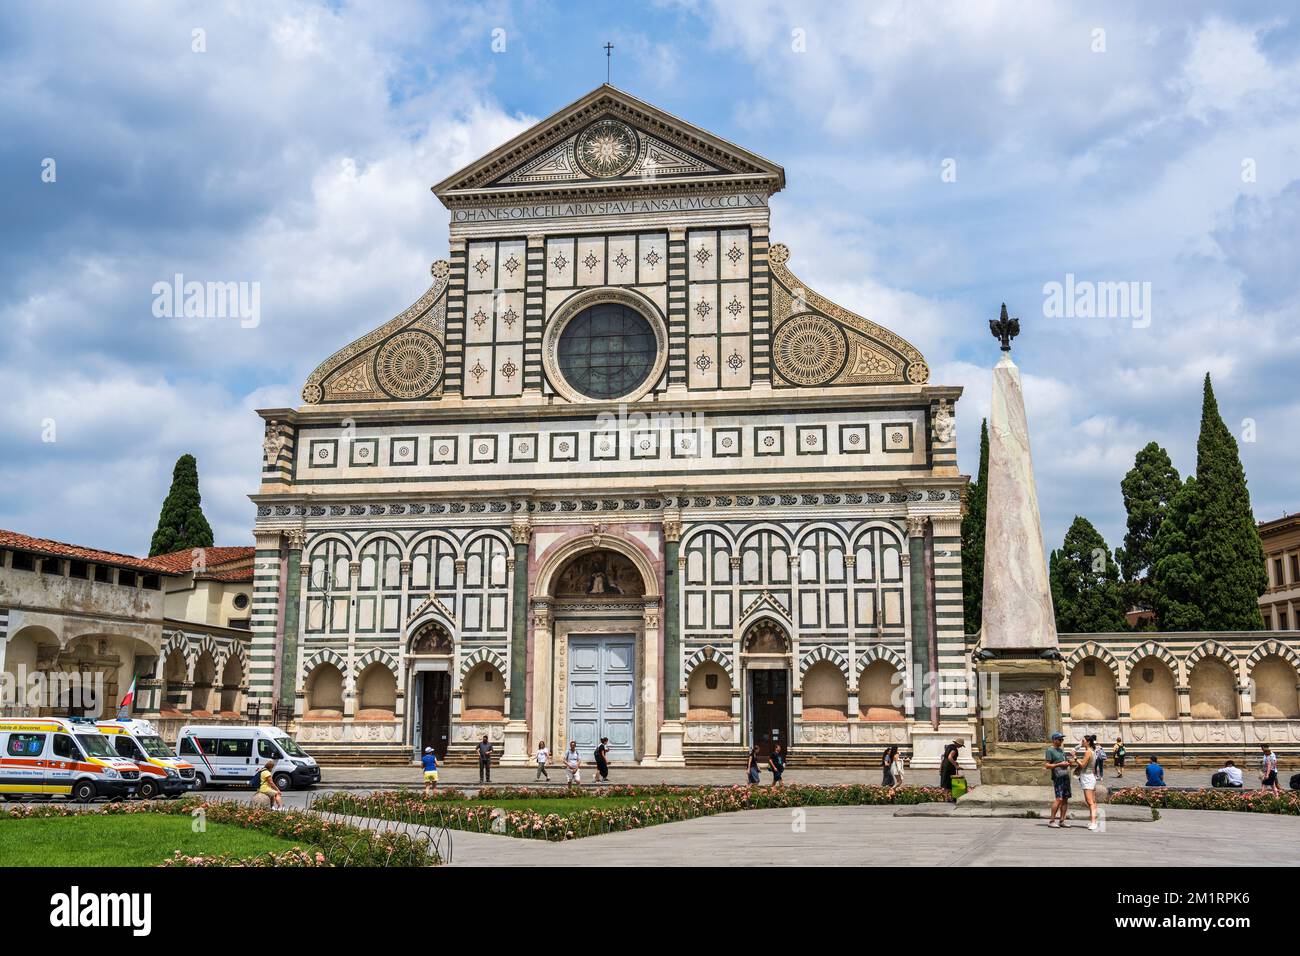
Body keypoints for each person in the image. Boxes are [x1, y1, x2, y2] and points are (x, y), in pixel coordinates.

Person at [1045, 732, 1074, 828]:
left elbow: (1064, 761)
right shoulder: (1050, 750)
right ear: (1054, 740)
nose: (1061, 741)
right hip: (1058, 777)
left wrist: (1068, 762)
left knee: (1065, 799)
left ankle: (1062, 820)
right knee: (1059, 799)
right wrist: (1059, 764)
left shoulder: (1061, 751)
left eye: (1062, 739)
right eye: (1060, 739)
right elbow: (1047, 765)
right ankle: (1052, 820)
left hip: (1065, 776)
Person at [1076, 736, 1100, 831]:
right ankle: (1093, 821)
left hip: (1087, 777)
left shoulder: (1088, 752)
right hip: (1091, 776)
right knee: (1093, 801)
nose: (1082, 742)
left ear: (1088, 742)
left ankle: (1093, 822)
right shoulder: (1093, 751)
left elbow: (1082, 765)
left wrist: (1075, 758)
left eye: (1083, 741)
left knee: (1089, 801)